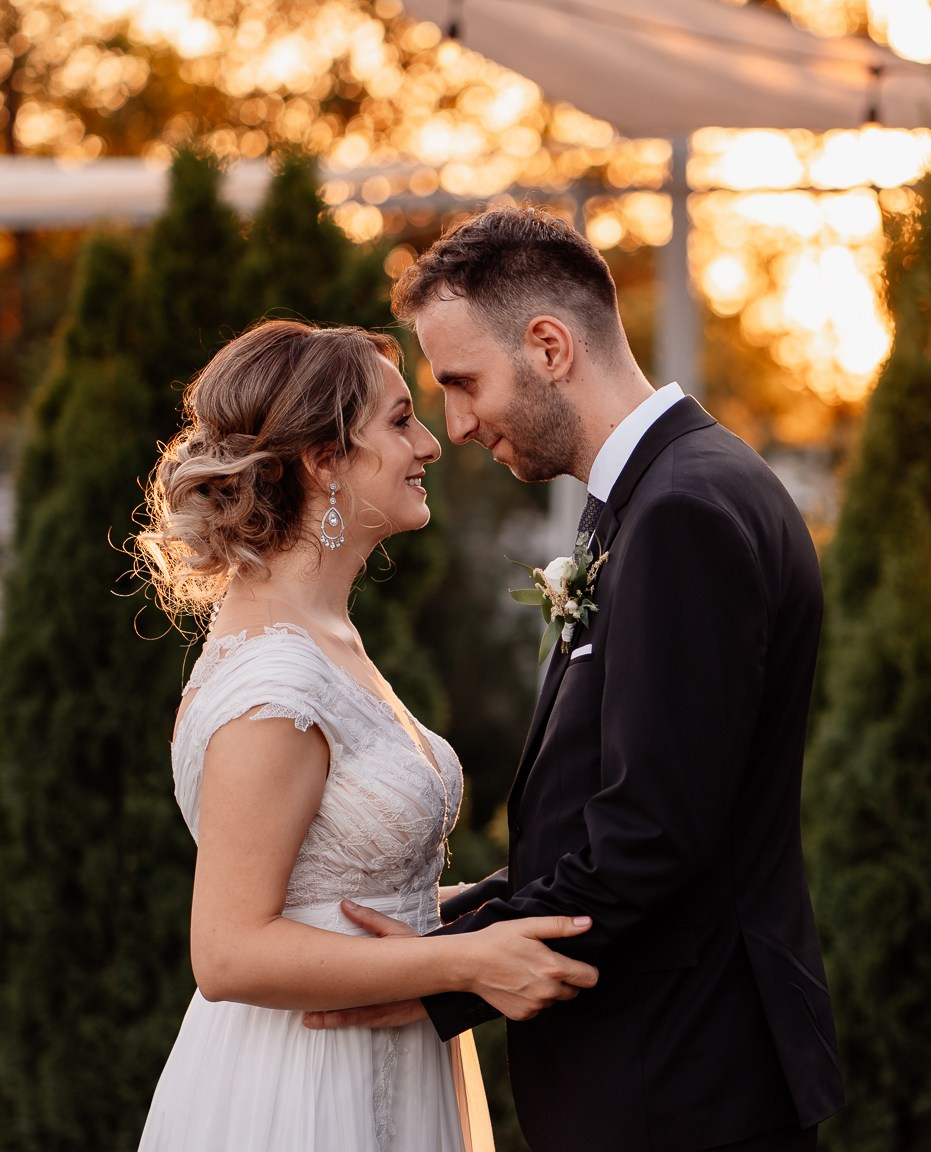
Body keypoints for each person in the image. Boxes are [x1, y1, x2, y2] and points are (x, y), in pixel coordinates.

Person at [304, 208, 845, 1152]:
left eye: (463, 383)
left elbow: (653, 834)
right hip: (666, 1072)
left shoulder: (682, 512)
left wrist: (444, 972)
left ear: (549, 347)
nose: (456, 426)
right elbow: (628, 809)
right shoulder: (664, 494)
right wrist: (458, 913)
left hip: (675, 1086)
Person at [133, 319, 599, 1152]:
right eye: (400, 420)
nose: (430, 444)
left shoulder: (329, 638)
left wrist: (503, 912)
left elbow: (349, 894)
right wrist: (467, 963)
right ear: (324, 459)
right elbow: (229, 953)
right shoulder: (272, 682)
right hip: (303, 1088)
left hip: (390, 1058)